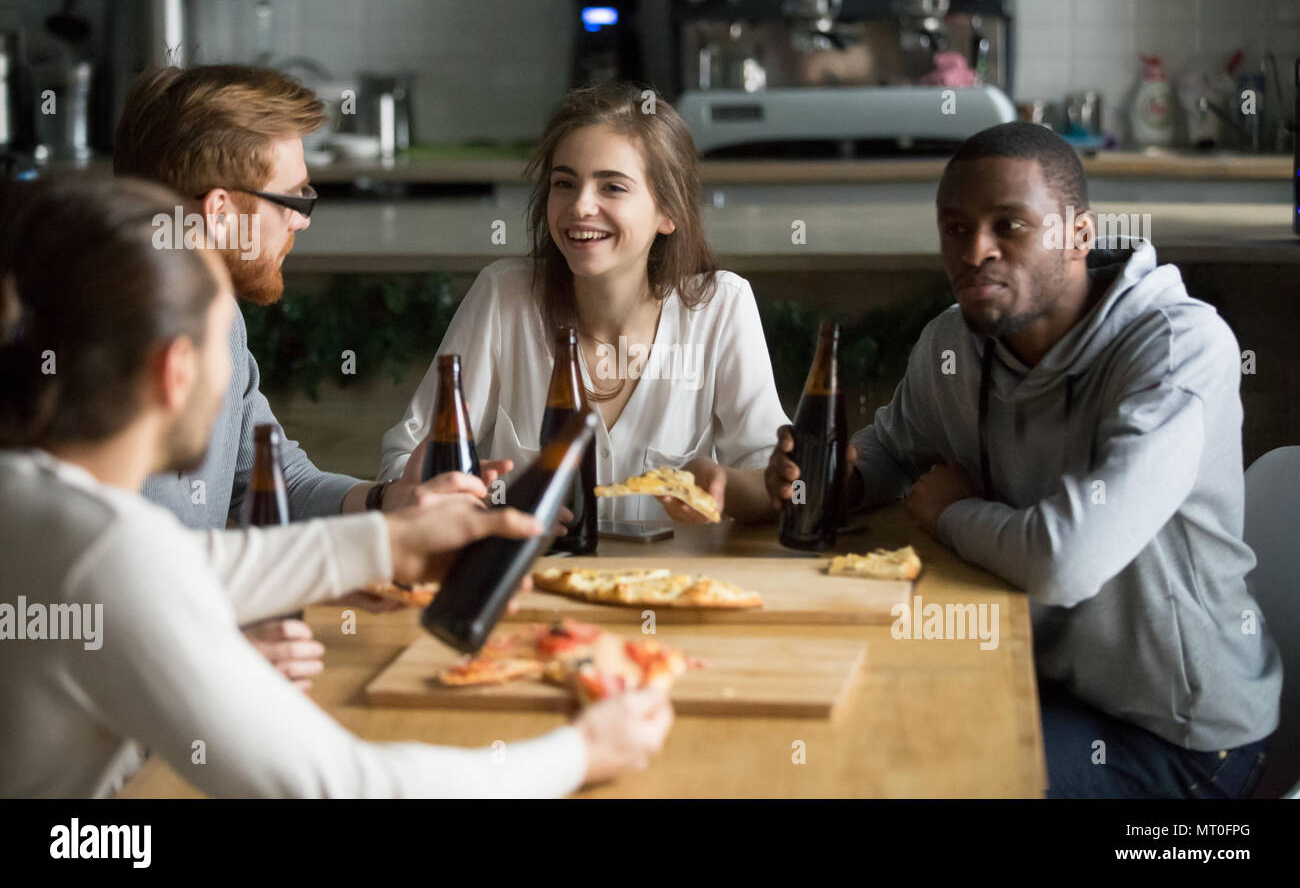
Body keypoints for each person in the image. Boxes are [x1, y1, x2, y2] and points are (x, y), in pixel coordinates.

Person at [0, 175, 672, 798]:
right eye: (220, 342)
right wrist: (579, 753)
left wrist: (386, 543)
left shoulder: (30, 500)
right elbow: (347, 787)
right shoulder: (106, 555)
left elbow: (187, 569)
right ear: (176, 371)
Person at [765, 122, 1281, 797]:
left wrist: (953, 514)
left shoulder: (1178, 349)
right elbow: (892, 451)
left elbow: (1067, 561)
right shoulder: (953, 341)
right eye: (955, 228)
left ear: (1080, 234)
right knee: (847, 741)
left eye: (1009, 225)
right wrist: (834, 481)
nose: (975, 251)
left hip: (1182, 741)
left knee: (926, 783)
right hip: (1036, 680)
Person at [113, 64, 511, 686]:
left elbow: (273, 481)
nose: (301, 221)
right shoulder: (109, 349)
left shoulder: (218, 323)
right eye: (293, 199)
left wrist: (385, 504)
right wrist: (239, 632)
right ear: (220, 211)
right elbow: (123, 572)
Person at [379, 83, 788, 523]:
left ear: (669, 212)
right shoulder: (503, 297)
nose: (580, 206)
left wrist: (724, 484)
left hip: (668, 586)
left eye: (612, 187)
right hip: (533, 581)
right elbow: (406, 463)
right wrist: (491, 503)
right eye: (564, 183)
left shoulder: (721, 307)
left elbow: (776, 478)